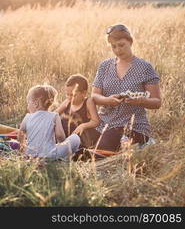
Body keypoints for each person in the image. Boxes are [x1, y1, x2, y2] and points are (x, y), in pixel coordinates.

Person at [91, 23, 161, 152]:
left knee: (103, 145)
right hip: (103, 123)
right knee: (80, 138)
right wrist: (108, 100)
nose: (118, 50)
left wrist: (140, 101)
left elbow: (157, 102)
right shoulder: (104, 66)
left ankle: (142, 143)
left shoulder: (145, 67)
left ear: (130, 41)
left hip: (133, 126)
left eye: (121, 45)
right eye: (114, 46)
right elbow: (94, 96)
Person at [18, 84, 80, 160]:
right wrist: (61, 145)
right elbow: (60, 136)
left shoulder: (27, 117)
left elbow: (20, 134)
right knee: (75, 138)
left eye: (28, 103)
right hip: (49, 154)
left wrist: (23, 148)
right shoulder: (54, 116)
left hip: (31, 155)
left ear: (36, 103)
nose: (28, 106)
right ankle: (64, 158)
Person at [56, 74, 100, 148]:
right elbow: (55, 114)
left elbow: (96, 121)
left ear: (84, 93)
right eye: (67, 94)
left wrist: (83, 125)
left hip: (81, 135)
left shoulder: (88, 102)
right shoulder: (67, 102)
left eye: (73, 95)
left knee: (81, 143)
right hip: (66, 134)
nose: (69, 97)